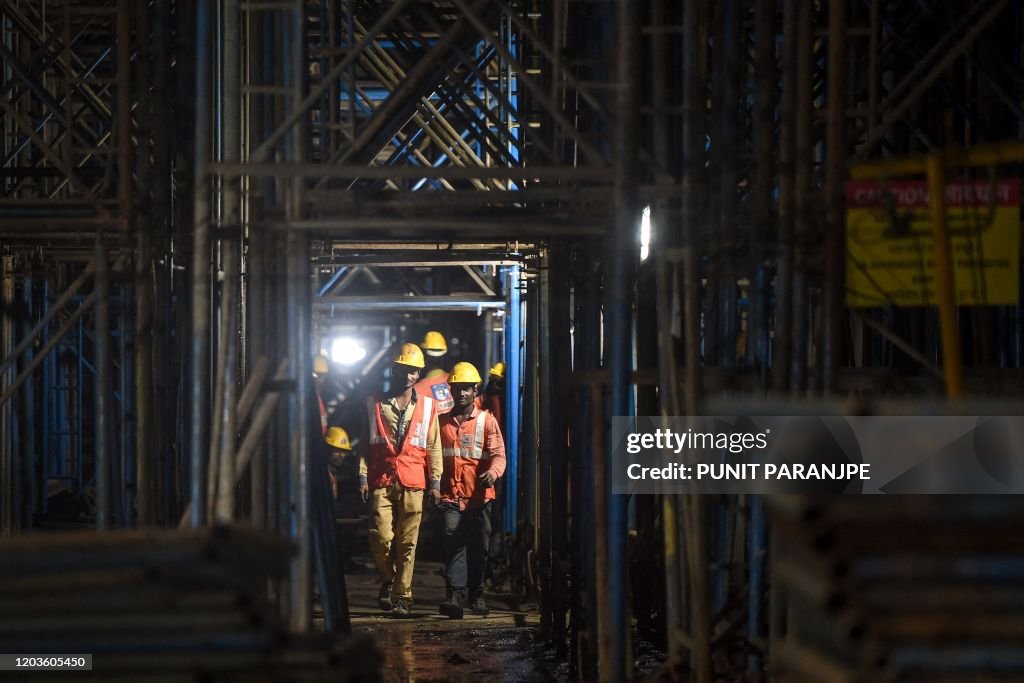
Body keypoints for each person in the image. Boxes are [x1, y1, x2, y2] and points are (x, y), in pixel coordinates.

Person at [358, 343, 442, 618]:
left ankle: (402, 596)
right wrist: (362, 475)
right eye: (404, 369)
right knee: (380, 538)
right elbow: (367, 445)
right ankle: (390, 579)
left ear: (418, 374)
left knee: (408, 543)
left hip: (413, 480)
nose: (408, 375)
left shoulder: (429, 406)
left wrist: (436, 482)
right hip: (382, 478)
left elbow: (433, 447)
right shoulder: (375, 404)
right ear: (394, 370)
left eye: (413, 371)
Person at [437, 361, 506, 619]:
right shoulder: (441, 422)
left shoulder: (487, 421)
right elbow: (432, 457)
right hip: (450, 495)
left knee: (480, 546)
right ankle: (454, 595)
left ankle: (477, 593)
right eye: (458, 388)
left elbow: (499, 455)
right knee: (453, 542)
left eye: (467, 388)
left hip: (479, 496)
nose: (462, 393)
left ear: (475, 390)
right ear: (451, 390)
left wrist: (493, 472)